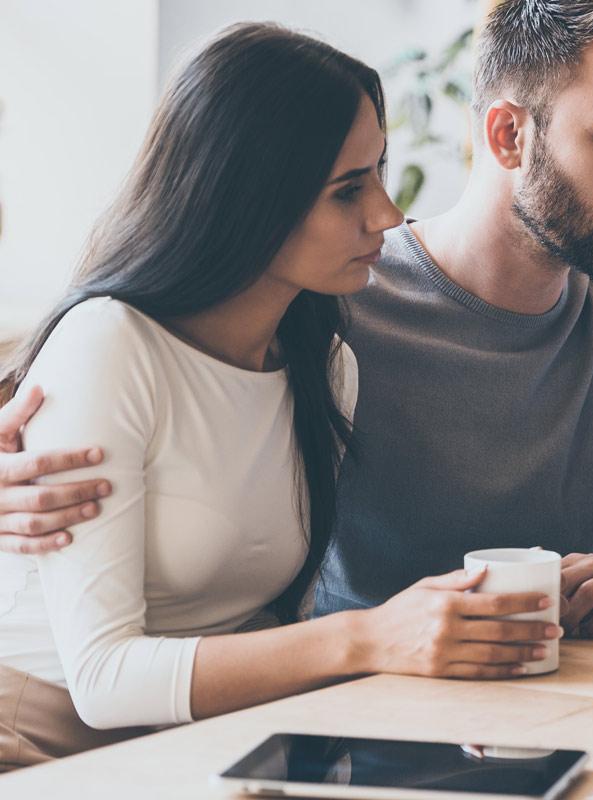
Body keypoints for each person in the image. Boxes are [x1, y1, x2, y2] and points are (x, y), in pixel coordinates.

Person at [0, 0, 593, 636]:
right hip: (342, 719)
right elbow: (142, 350)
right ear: (508, 135)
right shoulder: (327, 294)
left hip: (555, 716)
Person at [0, 24, 559, 771]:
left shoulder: (323, 366)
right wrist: (372, 637)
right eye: (348, 190)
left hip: (212, 746)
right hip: (43, 745)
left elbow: (272, 628)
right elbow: (102, 683)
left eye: (378, 176)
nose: (389, 216)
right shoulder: (111, 346)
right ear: (247, 196)